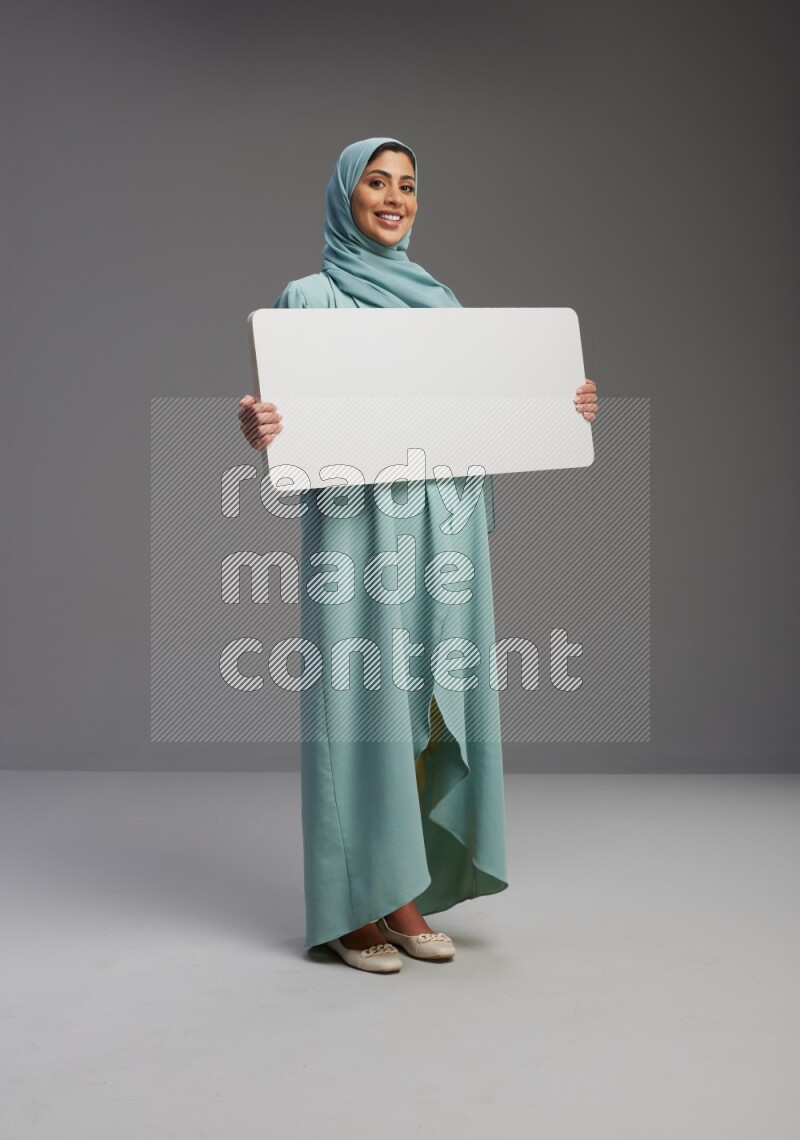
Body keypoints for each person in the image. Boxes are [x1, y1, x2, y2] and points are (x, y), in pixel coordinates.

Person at [239, 137, 599, 974]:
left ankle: (400, 895)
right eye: (377, 182)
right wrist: (256, 430)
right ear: (345, 196)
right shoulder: (310, 298)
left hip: (447, 527)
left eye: (407, 185)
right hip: (359, 531)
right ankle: (351, 909)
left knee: (427, 706)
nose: (395, 198)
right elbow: (289, 431)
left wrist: (563, 402)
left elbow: (484, 411)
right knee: (360, 709)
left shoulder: (441, 303)